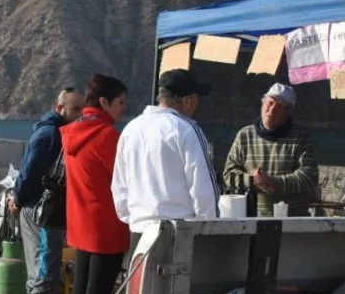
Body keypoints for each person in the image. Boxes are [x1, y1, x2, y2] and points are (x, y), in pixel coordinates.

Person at [10, 88, 84, 294]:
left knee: (40, 274)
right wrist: (19, 198)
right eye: (74, 109)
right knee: (44, 274)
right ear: (59, 107)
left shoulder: (55, 131)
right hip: (42, 213)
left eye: (81, 109)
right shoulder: (50, 134)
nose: (79, 114)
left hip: (40, 210)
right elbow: (28, 172)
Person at [60, 73, 130, 294]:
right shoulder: (107, 136)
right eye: (120, 102)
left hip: (81, 224)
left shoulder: (72, 132)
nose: (123, 108)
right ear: (104, 102)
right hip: (107, 228)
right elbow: (128, 181)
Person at [112, 69, 219, 237]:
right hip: (178, 232)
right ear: (187, 100)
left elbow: (119, 186)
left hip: (139, 231)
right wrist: (208, 228)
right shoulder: (186, 128)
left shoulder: (131, 128)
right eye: (196, 98)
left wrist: (134, 219)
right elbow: (202, 186)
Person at [223, 83, 318, 217]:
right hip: (252, 217)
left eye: (279, 107)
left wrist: (274, 182)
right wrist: (253, 180)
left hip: (292, 219)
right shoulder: (245, 135)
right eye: (270, 103)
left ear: (288, 113)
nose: (272, 110)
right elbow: (228, 173)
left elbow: (310, 176)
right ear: (263, 104)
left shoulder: (300, 137)